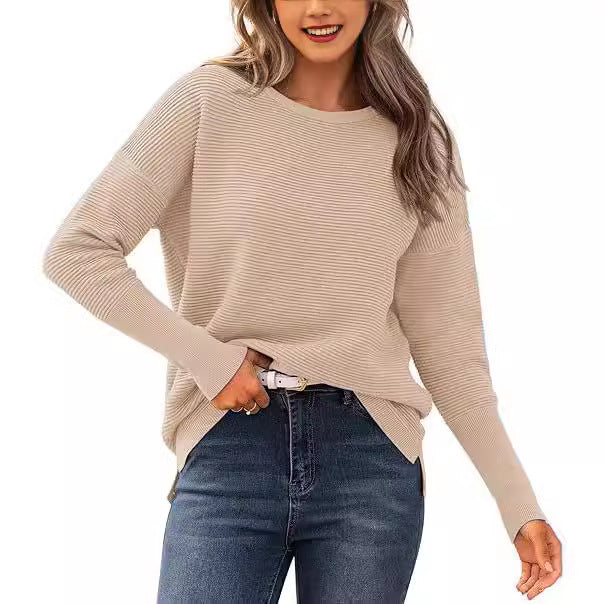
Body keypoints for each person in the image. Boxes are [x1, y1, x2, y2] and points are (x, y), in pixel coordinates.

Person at [42, 1, 562, 601]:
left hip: (371, 460)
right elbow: (78, 252)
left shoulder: (419, 139)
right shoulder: (208, 101)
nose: (317, 8)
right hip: (229, 442)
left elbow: (450, 349)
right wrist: (209, 360)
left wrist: (519, 506)